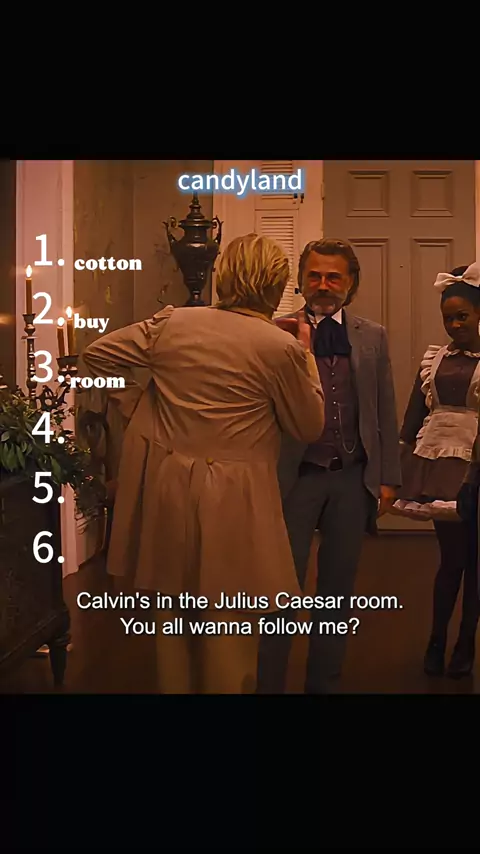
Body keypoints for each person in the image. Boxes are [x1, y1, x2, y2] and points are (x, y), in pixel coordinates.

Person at [82, 233, 325, 694]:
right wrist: (307, 356)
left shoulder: (172, 324)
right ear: (277, 284)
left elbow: (96, 356)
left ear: (224, 275)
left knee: (172, 618)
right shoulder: (280, 347)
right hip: (237, 492)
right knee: (229, 622)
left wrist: (138, 406)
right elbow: (308, 426)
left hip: (170, 482)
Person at [262, 237, 401, 694]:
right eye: (314, 276)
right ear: (301, 281)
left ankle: (324, 684)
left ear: (351, 282)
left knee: (338, 591)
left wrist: (387, 477)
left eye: (333, 277)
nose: (323, 285)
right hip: (294, 478)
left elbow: (383, 409)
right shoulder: (276, 331)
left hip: (351, 478)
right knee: (280, 589)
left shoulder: (373, 335)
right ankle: (268, 685)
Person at [392, 263, 480, 678]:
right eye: (448, 318)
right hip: (443, 468)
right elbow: (413, 416)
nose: (455, 325)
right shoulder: (435, 359)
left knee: (477, 564)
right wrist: (398, 464)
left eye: (463, 316)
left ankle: (466, 644)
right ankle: (436, 638)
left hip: (477, 465)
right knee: (451, 560)